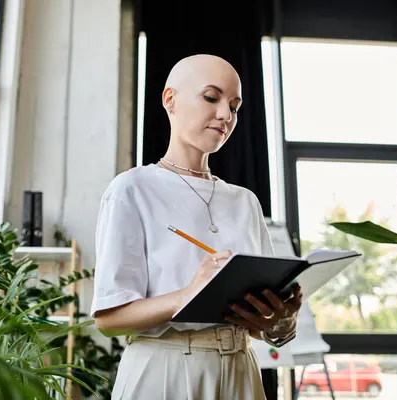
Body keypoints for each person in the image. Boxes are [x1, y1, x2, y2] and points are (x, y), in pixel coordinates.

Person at [90, 54, 303, 399]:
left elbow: (258, 325)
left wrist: (280, 322)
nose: (225, 115)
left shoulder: (245, 201)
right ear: (170, 99)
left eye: (235, 106)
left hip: (241, 371)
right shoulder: (132, 189)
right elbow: (109, 317)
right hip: (165, 369)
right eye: (211, 97)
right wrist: (189, 293)